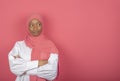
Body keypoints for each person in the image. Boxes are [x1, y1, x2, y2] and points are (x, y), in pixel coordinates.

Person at [8, 15, 59, 81]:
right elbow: (14, 68)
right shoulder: (19, 46)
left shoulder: (50, 46)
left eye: (38, 24)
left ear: (42, 26)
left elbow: (52, 73)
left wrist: (24, 70)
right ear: (27, 27)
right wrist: (39, 63)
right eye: (32, 25)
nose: (35, 28)